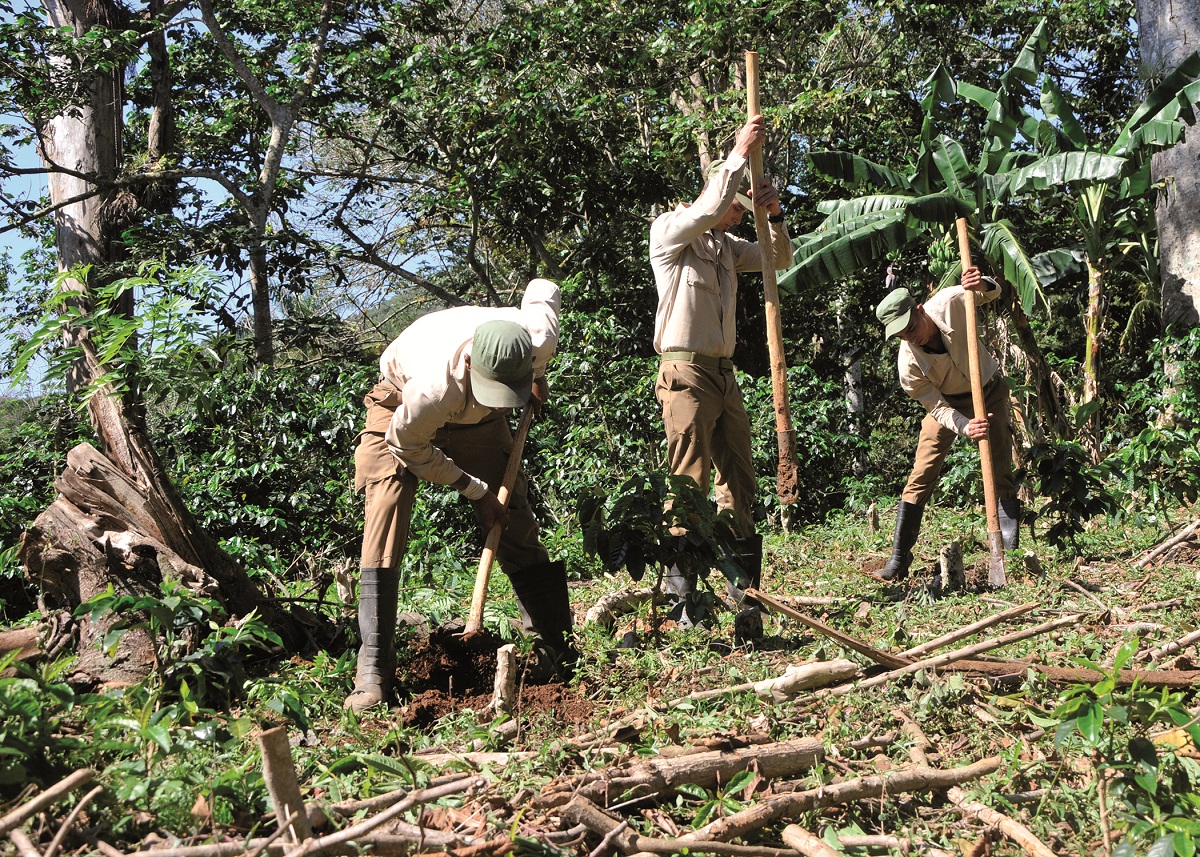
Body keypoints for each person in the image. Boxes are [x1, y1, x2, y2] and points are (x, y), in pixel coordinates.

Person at [346, 278, 573, 712]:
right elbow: (408, 446)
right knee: (387, 506)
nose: (507, 405)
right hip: (397, 408)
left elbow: (543, 287)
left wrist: (536, 376)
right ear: (470, 365)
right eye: (499, 393)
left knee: (513, 515)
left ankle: (554, 645)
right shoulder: (431, 389)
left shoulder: (538, 338)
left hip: (476, 420)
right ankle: (373, 667)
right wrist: (474, 490)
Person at [648, 114, 793, 629]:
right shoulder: (672, 232)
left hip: (724, 376)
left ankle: (743, 593)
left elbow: (777, 259)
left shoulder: (727, 249)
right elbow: (709, 206)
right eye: (738, 208)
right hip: (685, 372)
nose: (737, 218)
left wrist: (772, 214)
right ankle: (682, 600)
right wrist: (737, 154)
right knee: (688, 483)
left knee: (740, 480)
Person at [873, 266, 1020, 582]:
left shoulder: (950, 300)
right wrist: (965, 426)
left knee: (999, 465)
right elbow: (937, 408)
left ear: (920, 309)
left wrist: (981, 283)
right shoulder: (908, 367)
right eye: (902, 335)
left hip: (988, 390)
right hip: (947, 404)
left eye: (912, 327)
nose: (912, 337)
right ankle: (899, 557)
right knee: (922, 471)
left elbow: (992, 293)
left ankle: (1008, 553)